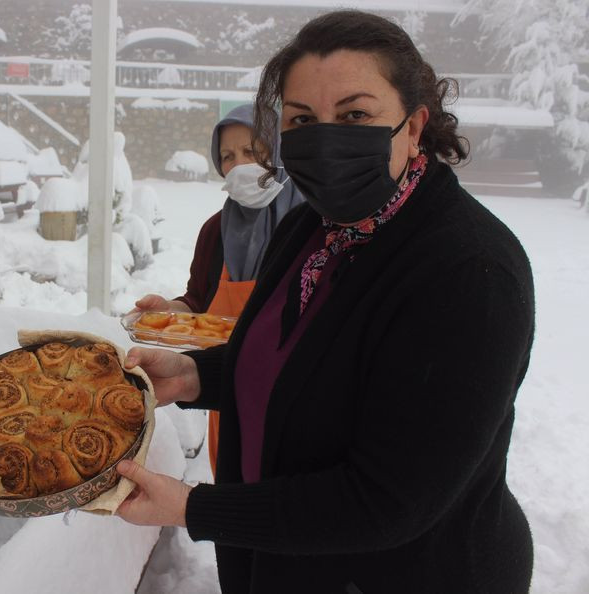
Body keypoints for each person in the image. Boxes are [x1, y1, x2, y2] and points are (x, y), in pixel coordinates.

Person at [115, 10, 535, 594]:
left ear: (414, 126)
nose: (326, 137)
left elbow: (387, 500)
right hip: (283, 558)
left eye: (356, 115)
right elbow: (297, 364)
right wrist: (192, 375)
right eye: (303, 119)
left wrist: (194, 507)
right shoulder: (314, 227)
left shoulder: (468, 272)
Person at [134, 103, 304, 475]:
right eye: (227, 156)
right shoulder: (216, 230)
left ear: (278, 151)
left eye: (252, 151)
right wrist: (167, 310)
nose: (239, 165)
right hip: (226, 393)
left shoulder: (312, 225)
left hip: (299, 401)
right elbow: (197, 302)